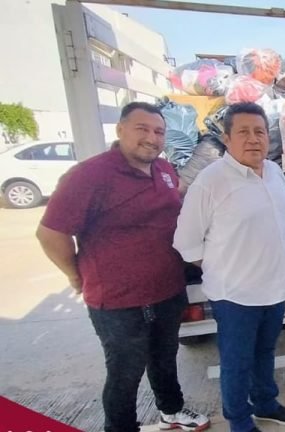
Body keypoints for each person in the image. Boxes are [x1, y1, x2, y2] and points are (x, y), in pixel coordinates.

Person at [36, 102, 209, 432]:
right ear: (120, 130)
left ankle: (171, 412)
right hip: (118, 301)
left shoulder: (164, 170)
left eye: (158, 131)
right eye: (142, 129)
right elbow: (50, 233)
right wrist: (75, 274)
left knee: (165, 359)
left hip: (167, 290)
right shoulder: (90, 175)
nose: (152, 138)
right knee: (125, 372)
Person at [173, 103, 285, 432]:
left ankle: (265, 403)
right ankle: (239, 421)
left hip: (274, 288)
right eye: (243, 132)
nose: (253, 139)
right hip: (235, 296)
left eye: (259, 131)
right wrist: (221, 266)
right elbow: (186, 242)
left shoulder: (273, 172)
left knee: (265, 352)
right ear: (227, 139)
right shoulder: (210, 181)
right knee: (236, 362)